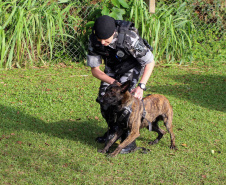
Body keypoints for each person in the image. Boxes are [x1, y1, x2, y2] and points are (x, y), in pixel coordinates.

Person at [87, 15, 155, 154]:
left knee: (125, 103)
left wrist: (141, 86)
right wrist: (113, 82)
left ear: (114, 33)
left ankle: (129, 141)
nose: (103, 42)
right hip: (112, 70)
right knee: (104, 99)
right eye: (100, 39)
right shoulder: (95, 41)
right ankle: (113, 130)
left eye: (106, 39)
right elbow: (95, 70)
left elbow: (149, 61)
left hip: (131, 67)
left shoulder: (129, 38)